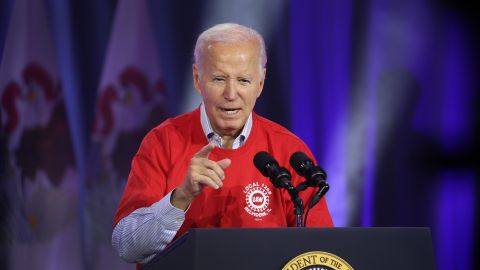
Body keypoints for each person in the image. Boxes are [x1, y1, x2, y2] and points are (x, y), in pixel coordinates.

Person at [112, 23, 333, 265]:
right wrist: (182, 196)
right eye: (218, 79)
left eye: (243, 80)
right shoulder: (162, 142)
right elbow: (127, 247)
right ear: (198, 79)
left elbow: (320, 256)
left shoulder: (289, 151)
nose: (231, 93)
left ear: (260, 83)